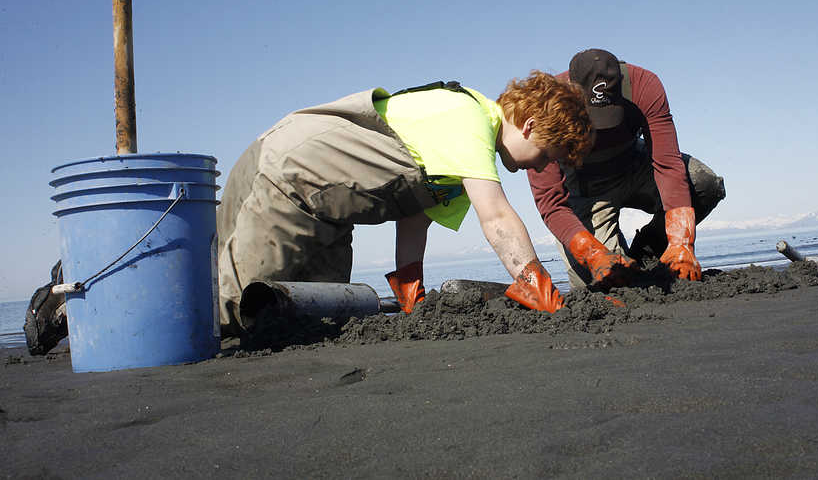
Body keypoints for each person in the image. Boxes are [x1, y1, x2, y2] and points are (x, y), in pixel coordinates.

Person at [216, 73, 593, 335]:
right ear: (529, 126)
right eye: (547, 153)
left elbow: (415, 218)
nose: (543, 166)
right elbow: (496, 218)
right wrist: (541, 291)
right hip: (285, 177)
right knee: (240, 312)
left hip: (328, 214)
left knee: (316, 314)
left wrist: (412, 297)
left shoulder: (465, 157)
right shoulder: (468, 118)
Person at [527, 49, 726, 291]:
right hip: (585, 188)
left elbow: (667, 163)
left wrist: (681, 240)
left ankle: (649, 250)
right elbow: (551, 202)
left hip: (634, 164)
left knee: (703, 183)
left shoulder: (644, 85)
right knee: (605, 286)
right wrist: (591, 253)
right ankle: (617, 263)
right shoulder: (547, 104)